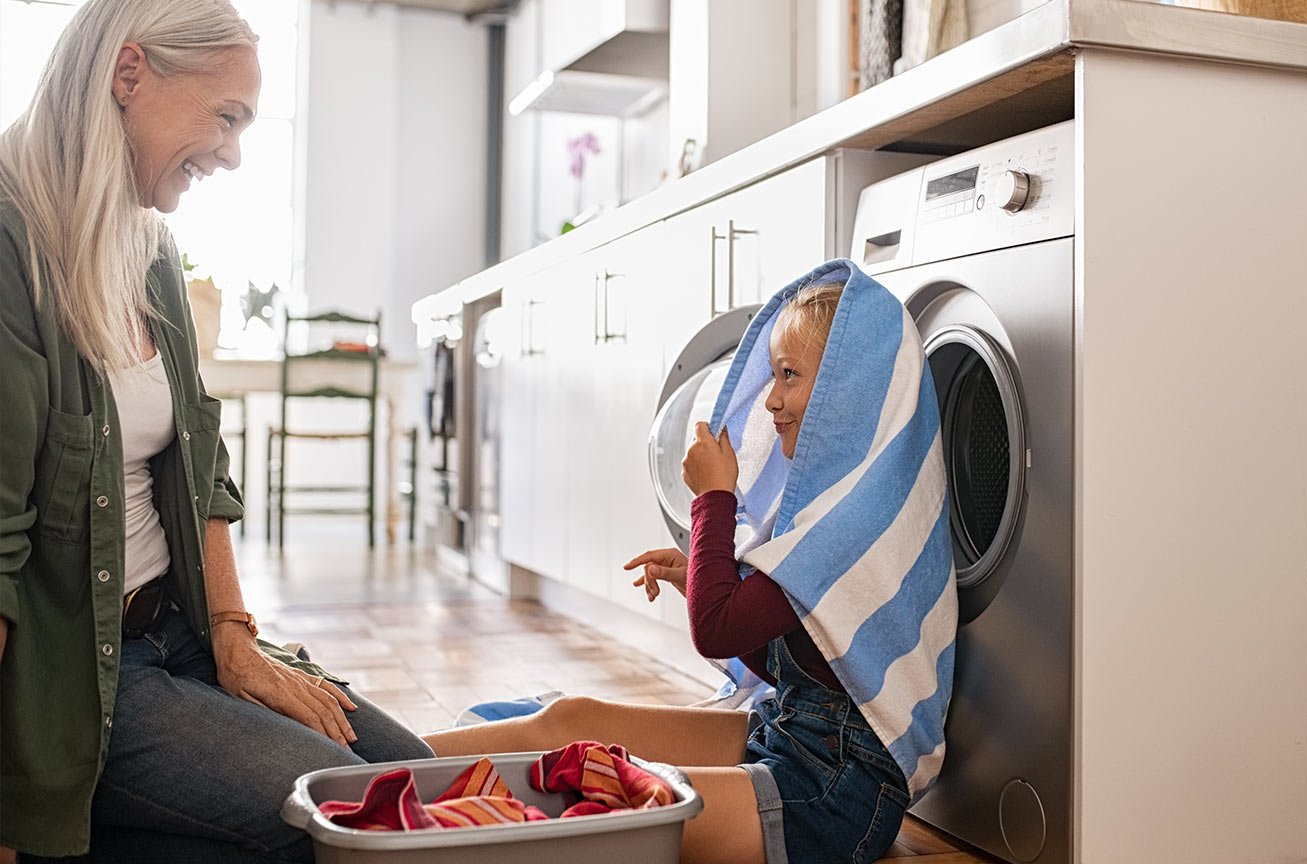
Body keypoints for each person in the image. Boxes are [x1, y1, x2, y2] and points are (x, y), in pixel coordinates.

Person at [0, 1, 433, 860]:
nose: (233, 153)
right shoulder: (14, 239)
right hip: (82, 679)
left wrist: (235, 643)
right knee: (360, 825)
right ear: (129, 75)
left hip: (182, 634)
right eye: (225, 117)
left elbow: (203, 469)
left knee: (413, 776)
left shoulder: (152, 250)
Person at [425, 264, 959, 864]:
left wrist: (715, 499)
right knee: (571, 720)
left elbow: (716, 632)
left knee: (600, 791)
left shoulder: (852, 526)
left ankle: (387, 811)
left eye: (789, 375)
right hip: (790, 735)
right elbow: (782, 659)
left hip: (830, 794)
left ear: (846, 393)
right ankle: (362, 762)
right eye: (773, 374)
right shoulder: (833, 512)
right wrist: (703, 580)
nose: (771, 399)